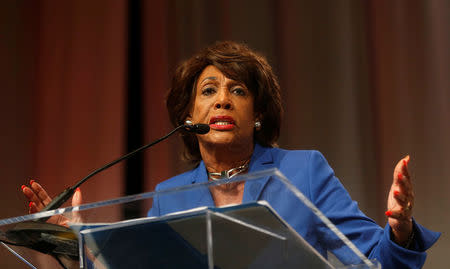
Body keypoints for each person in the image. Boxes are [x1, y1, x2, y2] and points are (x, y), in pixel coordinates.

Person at [22, 41, 439, 268]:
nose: (222, 101)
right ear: (189, 116)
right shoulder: (170, 196)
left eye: (238, 91)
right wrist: (66, 243)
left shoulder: (303, 170)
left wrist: (399, 230)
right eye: (208, 91)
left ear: (257, 114)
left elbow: (376, 263)